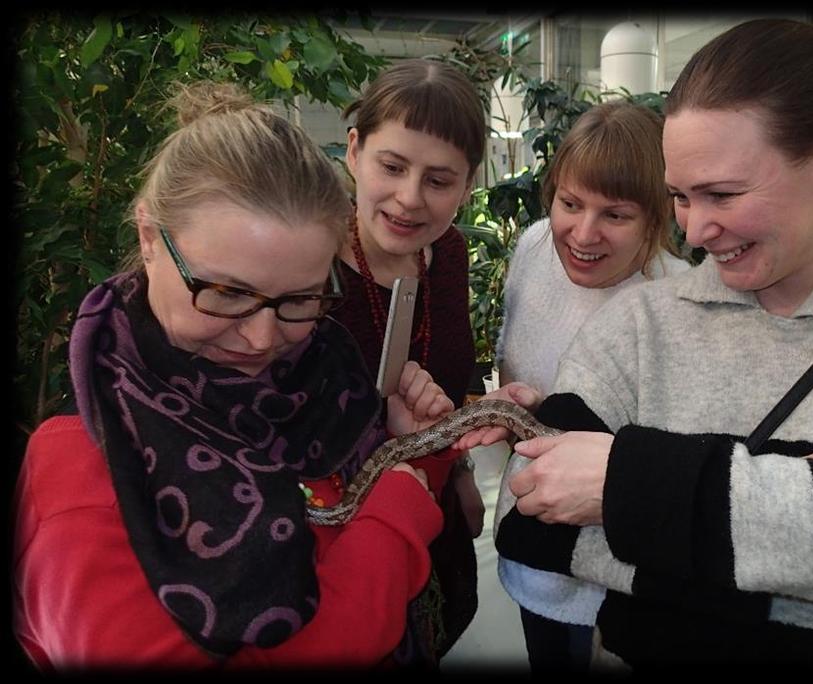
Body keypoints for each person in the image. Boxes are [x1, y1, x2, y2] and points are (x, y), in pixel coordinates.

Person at [488, 19, 813, 670]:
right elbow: (527, 520)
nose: (697, 230)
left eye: (723, 194)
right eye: (679, 197)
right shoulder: (638, 323)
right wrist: (810, 502)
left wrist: (623, 483)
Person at [12, 81, 463, 670]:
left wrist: (411, 446)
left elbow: (358, 489)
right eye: (226, 293)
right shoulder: (83, 473)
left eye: (300, 299)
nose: (262, 340)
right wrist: (395, 521)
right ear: (150, 239)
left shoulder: (325, 382)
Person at [493, 100, 691, 671]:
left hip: (621, 576)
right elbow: (515, 363)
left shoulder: (678, 302)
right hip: (533, 544)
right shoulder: (533, 250)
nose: (583, 233)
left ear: (657, 217)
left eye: (616, 215)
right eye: (570, 203)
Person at [329, 58, 486, 661]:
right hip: (339, 537)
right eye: (391, 167)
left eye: (439, 180)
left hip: (431, 511)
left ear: (468, 184)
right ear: (354, 151)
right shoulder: (305, 267)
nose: (409, 199)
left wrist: (462, 474)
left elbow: (454, 370)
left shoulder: (446, 255)